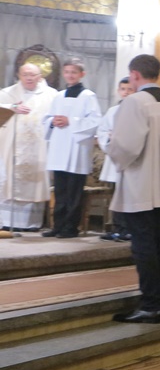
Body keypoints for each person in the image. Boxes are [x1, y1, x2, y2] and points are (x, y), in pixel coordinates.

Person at [107, 54, 160, 324]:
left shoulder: (135, 103)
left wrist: (110, 149)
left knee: (145, 246)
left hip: (143, 187)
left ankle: (151, 304)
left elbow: (126, 146)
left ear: (134, 74)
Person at [42, 59, 101, 238]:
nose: (70, 75)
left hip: (77, 150)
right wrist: (52, 121)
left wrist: (71, 121)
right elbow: (47, 118)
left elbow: (95, 121)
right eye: (67, 72)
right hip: (59, 148)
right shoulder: (59, 96)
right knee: (60, 190)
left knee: (74, 192)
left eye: (74, 72)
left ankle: (71, 227)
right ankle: (58, 225)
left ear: (82, 74)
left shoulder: (88, 96)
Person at [0, 63, 58, 231]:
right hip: (12, 147)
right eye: (25, 74)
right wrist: (12, 107)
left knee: (34, 185)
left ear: (40, 77)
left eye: (32, 75)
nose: (29, 78)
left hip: (38, 148)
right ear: (19, 75)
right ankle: (8, 222)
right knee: (10, 181)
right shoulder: (7, 93)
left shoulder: (51, 95)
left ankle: (31, 224)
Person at [97, 77, 134, 242]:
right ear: (118, 91)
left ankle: (129, 229)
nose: (126, 92)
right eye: (123, 89)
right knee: (115, 195)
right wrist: (110, 139)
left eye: (130, 89)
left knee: (129, 196)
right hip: (114, 158)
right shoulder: (112, 111)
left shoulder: (137, 110)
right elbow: (102, 131)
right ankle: (117, 228)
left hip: (130, 160)